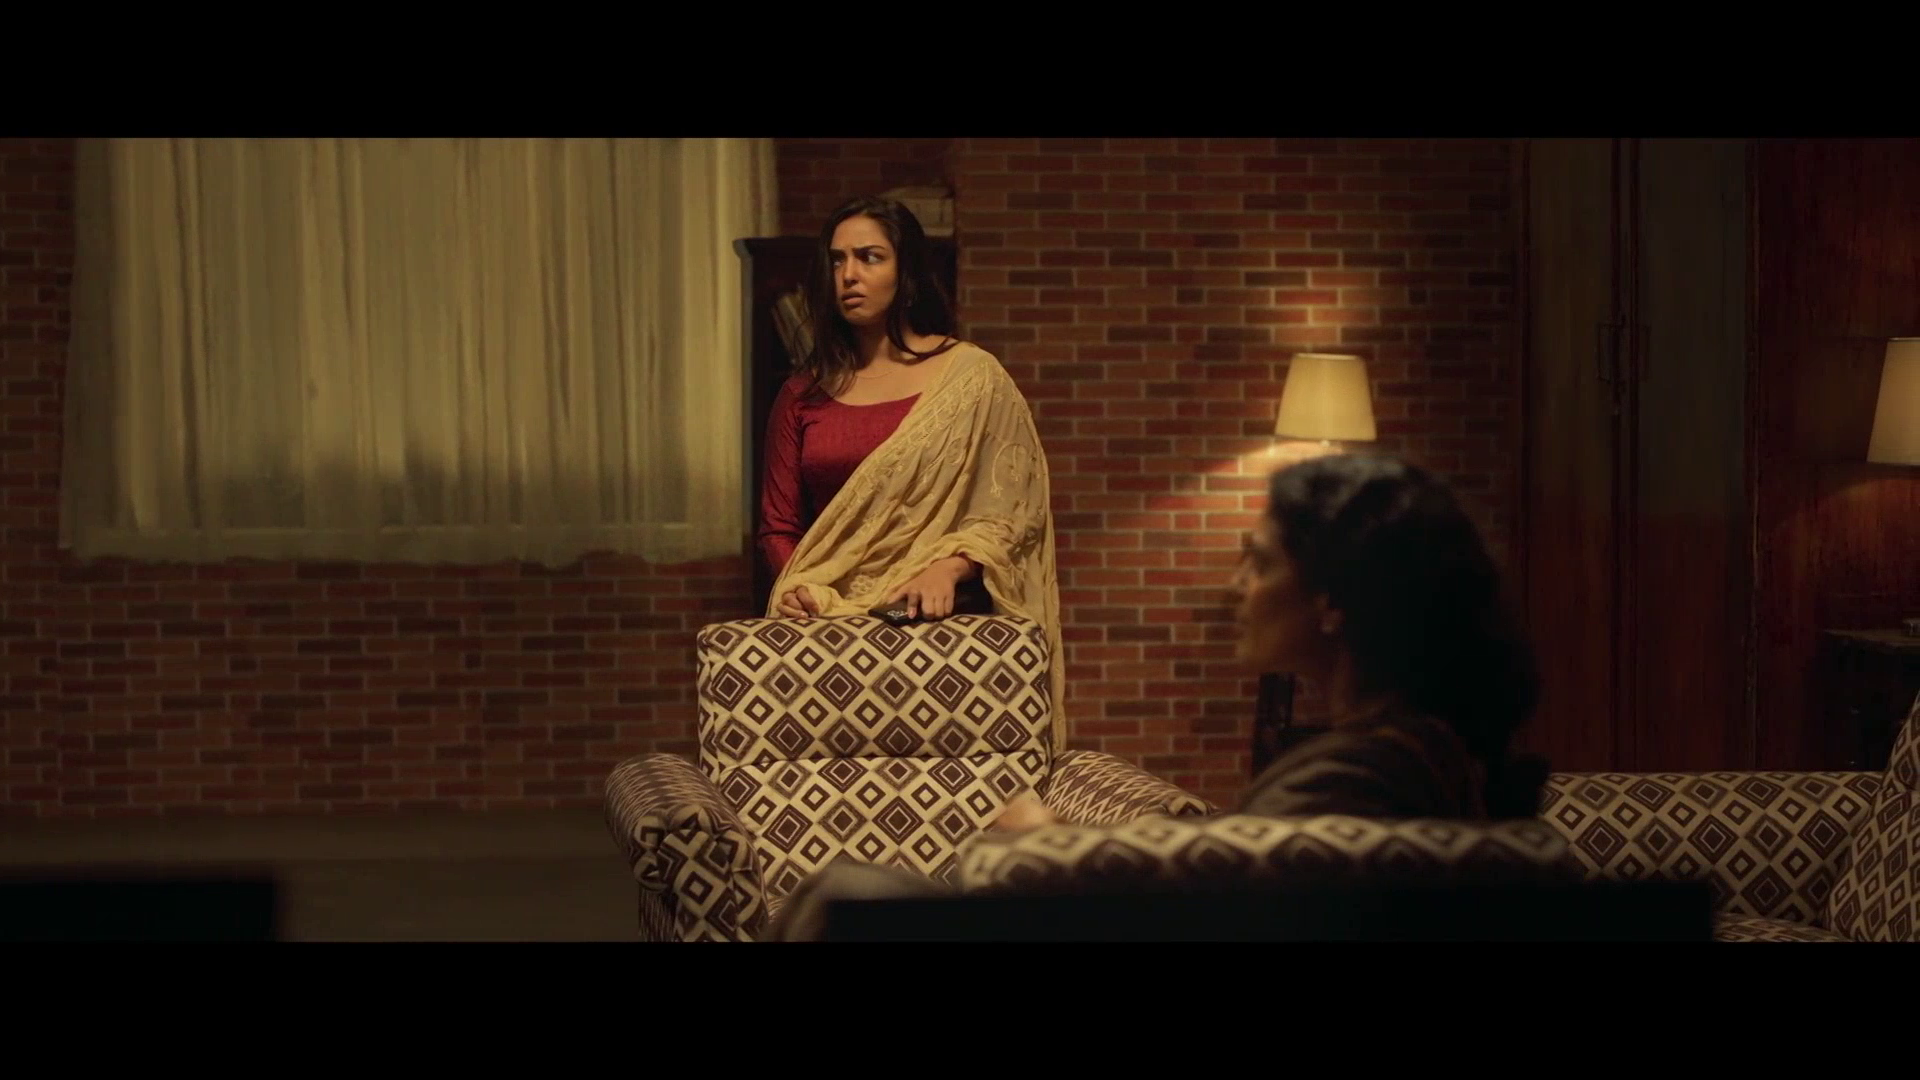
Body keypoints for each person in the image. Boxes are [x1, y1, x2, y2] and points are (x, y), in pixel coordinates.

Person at [762, 452, 1550, 939]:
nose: (1237, 586)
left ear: (1331, 603)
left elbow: (1217, 899)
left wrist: (1045, 843)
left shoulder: (1364, 775)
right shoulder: (1428, 751)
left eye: (1260, 563)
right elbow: (1226, 871)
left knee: (844, 893)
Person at [756, 194, 1065, 746]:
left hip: (944, 635)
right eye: (836, 260)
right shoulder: (803, 393)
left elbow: (1015, 510)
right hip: (826, 634)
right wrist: (799, 588)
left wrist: (949, 567)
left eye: (870, 257)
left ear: (907, 271)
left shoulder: (971, 378)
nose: (849, 275)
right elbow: (778, 527)